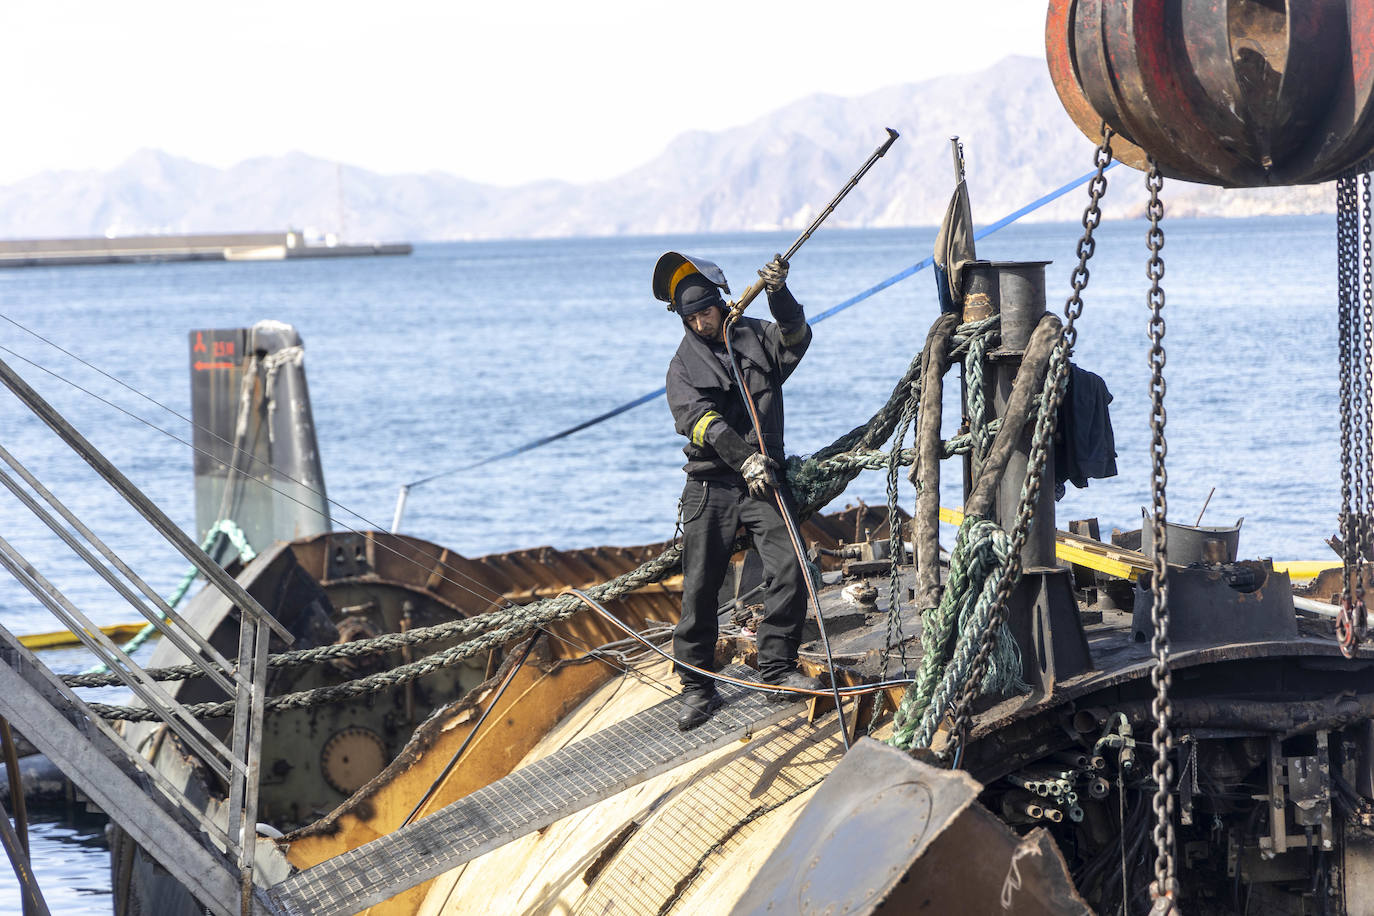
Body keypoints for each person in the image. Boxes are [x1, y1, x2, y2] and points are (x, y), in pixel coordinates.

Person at [654, 251, 822, 731]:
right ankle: (697, 687)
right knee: (701, 586)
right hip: (712, 485)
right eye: (691, 318)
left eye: (707, 312)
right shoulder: (681, 368)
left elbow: (797, 337)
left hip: (764, 480)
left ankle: (777, 668)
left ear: (720, 305)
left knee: (790, 566)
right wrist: (742, 457)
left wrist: (778, 293)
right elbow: (700, 422)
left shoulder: (756, 336)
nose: (702, 323)